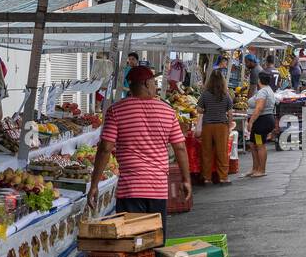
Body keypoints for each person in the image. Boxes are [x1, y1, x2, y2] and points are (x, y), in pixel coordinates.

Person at [88, 66, 191, 229]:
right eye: (153, 82)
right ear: (146, 84)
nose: (155, 86)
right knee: (154, 241)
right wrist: (186, 180)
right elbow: (180, 148)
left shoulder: (116, 110)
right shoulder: (168, 111)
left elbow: (105, 148)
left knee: (132, 242)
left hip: (130, 189)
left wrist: (94, 185)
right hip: (158, 188)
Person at [196, 70, 234, 185]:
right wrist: (229, 124)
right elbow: (230, 112)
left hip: (207, 126)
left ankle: (207, 178)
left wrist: (206, 109)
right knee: (222, 152)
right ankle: (223, 177)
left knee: (206, 152)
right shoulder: (225, 95)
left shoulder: (205, 94)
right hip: (221, 126)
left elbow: (198, 109)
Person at [244, 71, 279, 178]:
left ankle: (261, 169)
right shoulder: (267, 90)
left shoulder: (263, 91)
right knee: (253, 144)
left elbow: (259, 108)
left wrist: (251, 122)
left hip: (261, 122)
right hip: (262, 121)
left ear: (259, 80)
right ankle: (255, 168)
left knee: (259, 144)